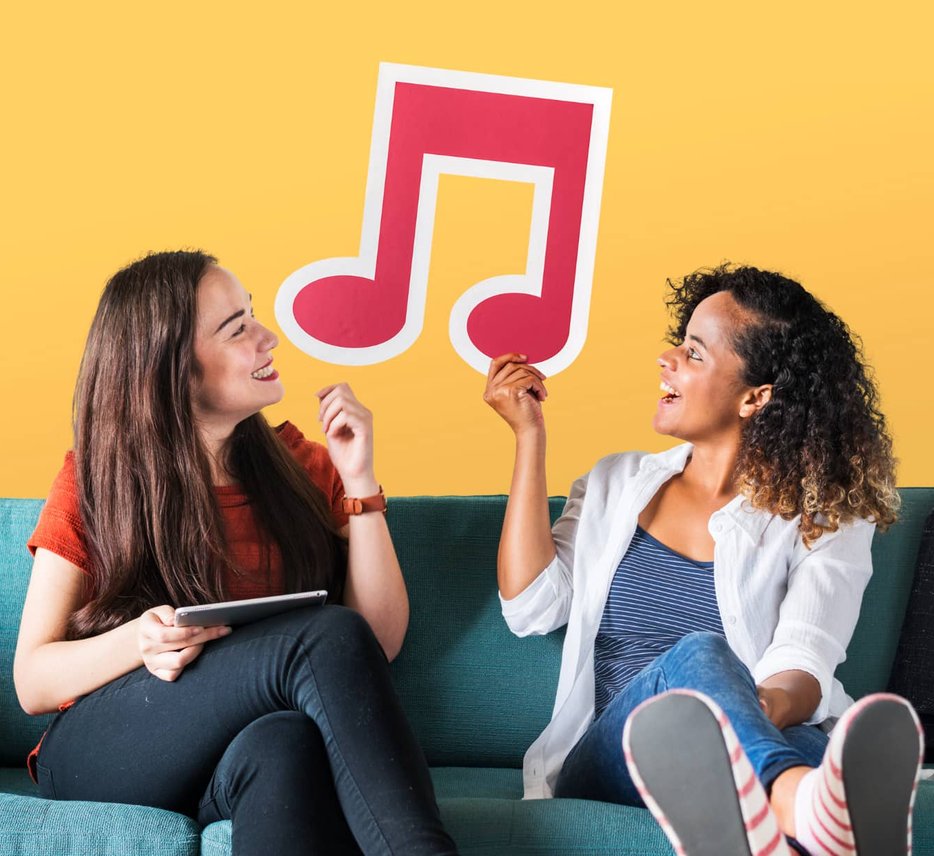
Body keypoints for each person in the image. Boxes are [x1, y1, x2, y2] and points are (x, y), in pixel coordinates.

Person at [14, 250, 458, 856]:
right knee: (322, 635)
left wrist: (361, 482)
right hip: (112, 748)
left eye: (253, 315)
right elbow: (33, 682)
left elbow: (375, 644)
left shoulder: (307, 469)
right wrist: (138, 641)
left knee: (287, 742)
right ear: (173, 371)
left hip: (235, 757)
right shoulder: (96, 480)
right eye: (238, 328)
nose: (268, 337)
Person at [482, 264, 923, 856]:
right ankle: (795, 801)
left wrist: (736, 713)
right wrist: (529, 437)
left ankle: (802, 814)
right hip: (617, 753)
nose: (667, 359)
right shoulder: (615, 484)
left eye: (693, 354)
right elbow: (531, 607)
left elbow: (804, 658)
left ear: (755, 397)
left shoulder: (827, 515)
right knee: (699, 658)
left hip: (754, 737)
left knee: (823, 765)